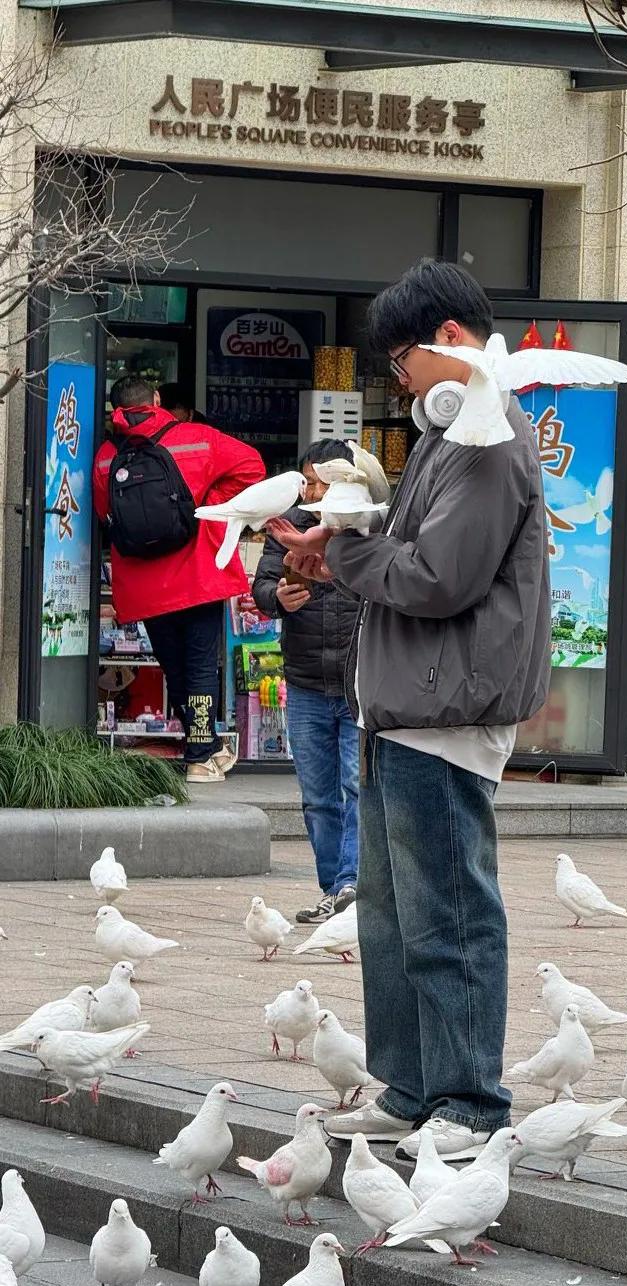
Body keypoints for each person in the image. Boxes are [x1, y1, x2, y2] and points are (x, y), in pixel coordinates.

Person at [269, 260, 551, 1159]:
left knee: (448, 912)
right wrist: (342, 538)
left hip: (447, 705)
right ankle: (412, 1086)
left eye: (404, 362)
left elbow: (437, 577)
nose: (400, 381)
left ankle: (469, 1100)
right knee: (390, 918)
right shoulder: (451, 431)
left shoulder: (485, 437)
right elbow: (412, 549)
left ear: (452, 343)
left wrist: (343, 558)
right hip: (409, 703)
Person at [93, 375, 265, 782]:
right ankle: (202, 756)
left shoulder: (105, 456)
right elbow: (253, 469)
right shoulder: (198, 438)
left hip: (143, 584)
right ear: (156, 400)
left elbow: (105, 515)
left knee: (176, 667)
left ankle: (202, 745)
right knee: (201, 665)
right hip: (198, 573)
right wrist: (206, 508)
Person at [252, 439, 360, 924]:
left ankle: (353, 887)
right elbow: (260, 586)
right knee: (318, 797)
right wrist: (276, 596)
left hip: (360, 685)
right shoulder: (288, 526)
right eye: (307, 481)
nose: (312, 491)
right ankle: (332, 889)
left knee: (357, 789)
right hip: (305, 682)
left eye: (321, 482)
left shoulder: (365, 527)